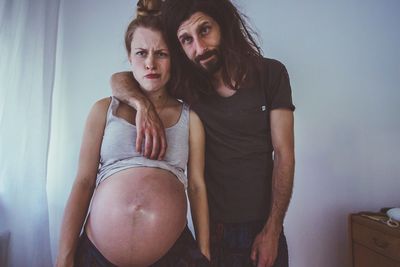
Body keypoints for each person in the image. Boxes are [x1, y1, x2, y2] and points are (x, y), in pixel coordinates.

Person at [111, 0, 295, 266]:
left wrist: (272, 230)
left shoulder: (271, 73)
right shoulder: (186, 84)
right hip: (215, 233)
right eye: (186, 40)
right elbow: (121, 79)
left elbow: (285, 155)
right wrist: (142, 106)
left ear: (224, 23)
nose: (199, 48)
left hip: (265, 229)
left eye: (205, 30)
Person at [56, 2, 211, 266]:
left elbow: (196, 186)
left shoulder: (190, 118)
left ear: (173, 58)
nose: (150, 63)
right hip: (97, 256)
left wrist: (205, 253)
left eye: (161, 54)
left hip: (172, 256)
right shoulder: (103, 110)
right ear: (129, 57)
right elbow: (83, 182)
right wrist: (65, 255)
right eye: (141, 53)